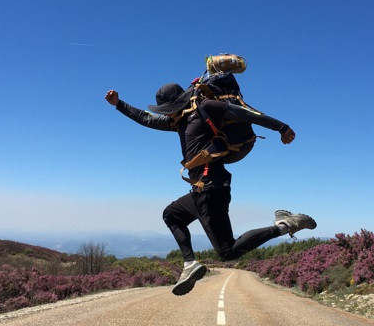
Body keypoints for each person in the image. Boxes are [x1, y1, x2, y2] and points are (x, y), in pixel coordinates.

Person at [105, 80, 316, 296]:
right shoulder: (178, 121)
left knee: (227, 252)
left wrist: (281, 127)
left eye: (168, 110)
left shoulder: (206, 108)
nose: (166, 114)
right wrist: (119, 104)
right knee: (171, 214)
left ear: (180, 102)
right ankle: (190, 264)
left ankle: (284, 225)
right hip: (199, 190)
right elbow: (146, 118)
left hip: (212, 188)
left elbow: (247, 115)